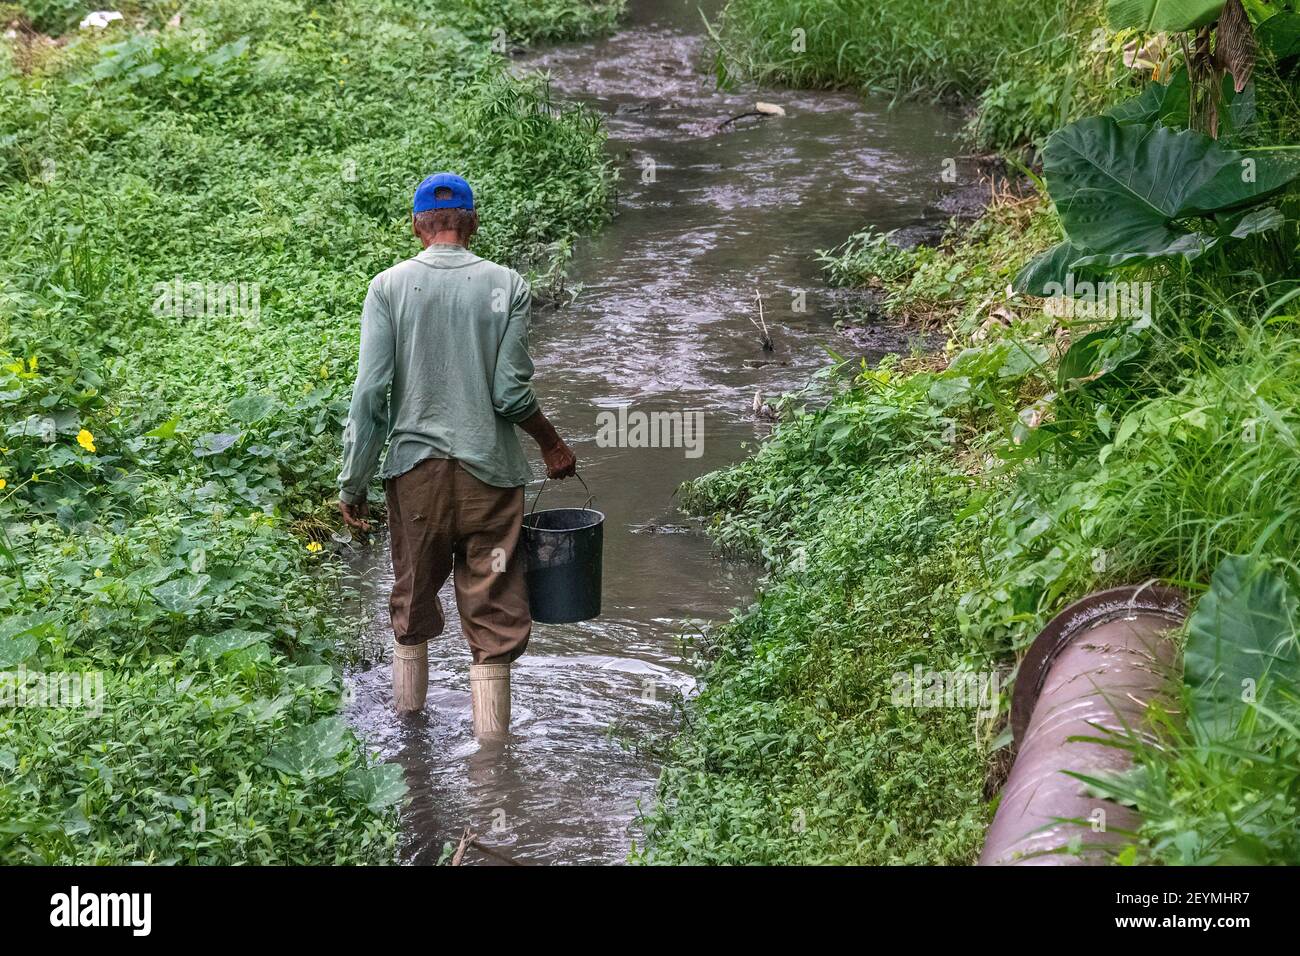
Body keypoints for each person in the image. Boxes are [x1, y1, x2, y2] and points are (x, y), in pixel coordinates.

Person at [337, 172, 576, 735]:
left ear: (418, 227)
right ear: (471, 224)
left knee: (413, 605)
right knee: (492, 607)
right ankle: (494, 764)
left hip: (415, 479)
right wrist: (552, 443)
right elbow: (510, 394)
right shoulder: (507, 285)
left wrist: (355, 482)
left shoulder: (388, 287)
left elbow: (370, 395)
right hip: (490, 479)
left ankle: (409, 747)